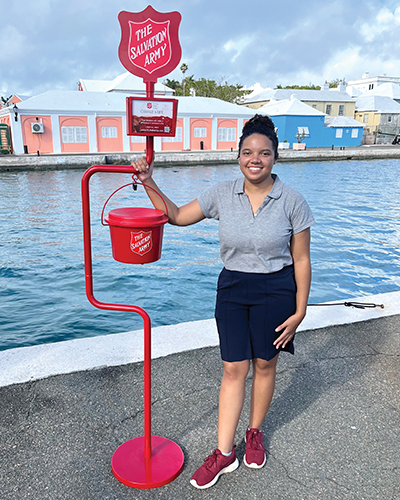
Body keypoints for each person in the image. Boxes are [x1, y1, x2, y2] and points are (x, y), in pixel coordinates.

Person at [132, 114, 315, 489]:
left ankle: (254, 433)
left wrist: (300, 310)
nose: (255, 159)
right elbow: (179, 216)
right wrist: (149, 182)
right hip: (232, 288)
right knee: (233, 369)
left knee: (264, 365)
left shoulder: (292, 201)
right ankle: (224, 452)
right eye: (248, 152)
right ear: (238, 156)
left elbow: (302, 259)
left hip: (277, 290)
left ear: (275, 158)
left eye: (264, 153)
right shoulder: (221, 193)